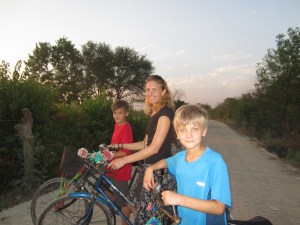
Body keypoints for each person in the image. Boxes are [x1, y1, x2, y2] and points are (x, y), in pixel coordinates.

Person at [143, 104, 231, 225]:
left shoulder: (215, 161)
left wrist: (178, 199)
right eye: (183, 130)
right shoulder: (179, 158)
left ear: (204, 131)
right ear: (177, 134)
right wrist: (150, 169)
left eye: (194, 129)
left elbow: (219, 208)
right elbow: (166, 162)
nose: (188, 135)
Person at [108, 75, 177, 224]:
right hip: (146, 168)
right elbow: (145, 144)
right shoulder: (154, 113)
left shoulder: (165, 113)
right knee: (133, 204)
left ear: (163, 91)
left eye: (154, 90)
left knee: (149, 216)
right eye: (147, 90)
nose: (150, 93)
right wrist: (120, 146)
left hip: (157, 171)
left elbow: (154, 148)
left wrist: (124, 160)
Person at [108, 100, 134, 225]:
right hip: (113, 167)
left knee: (122, 201)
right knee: (100, 185)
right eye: (114, 113)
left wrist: (110, 154)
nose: (116, 116)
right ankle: (119, 205)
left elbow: (126, 152)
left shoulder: (126, 128)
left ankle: (125, 209)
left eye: (120, 113)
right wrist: (107, 149)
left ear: (126, 113)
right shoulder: (117, 125)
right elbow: (116, 146)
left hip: (121, 170)